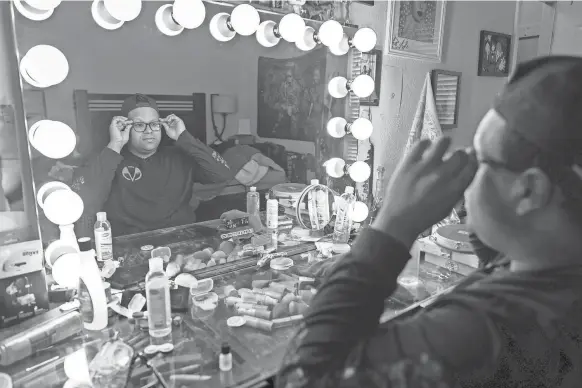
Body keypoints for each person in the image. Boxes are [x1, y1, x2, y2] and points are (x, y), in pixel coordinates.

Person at [276, 56, 582, 388]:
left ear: (529, 191)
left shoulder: (481, 331)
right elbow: (500, 259)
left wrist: (392, 226)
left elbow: (302, 377)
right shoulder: (554, 267)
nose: (464, 172)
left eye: (478, 160)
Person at [71, 93, 233, 236]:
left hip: (180, 239)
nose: (149, 131)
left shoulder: (179, 157)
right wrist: (115, 145)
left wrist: (185, 137)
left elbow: (222, 174)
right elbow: (85, 199)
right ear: (125, 128)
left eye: (154, 124)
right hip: (131, 246)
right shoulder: (108, 159)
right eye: (139, 125)